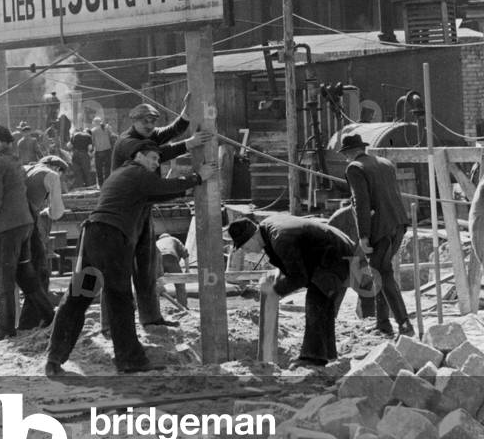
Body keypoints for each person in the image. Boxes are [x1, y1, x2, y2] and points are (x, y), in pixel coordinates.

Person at [45, 140, 215, 377]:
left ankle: (54, 358)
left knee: (79, 296)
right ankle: (129, 359)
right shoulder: (138, 174)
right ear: (139, 157)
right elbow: (165, 187)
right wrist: (198, 177)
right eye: (154, 159)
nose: (157, 163)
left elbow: (158, 193)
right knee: (119, 297)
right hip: (112, 238)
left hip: (92, 237)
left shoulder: (121, 175)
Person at [109, 95, 211, 327]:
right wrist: (189, 147)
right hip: (122, 215)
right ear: (133, 121)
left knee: (146, 266)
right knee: (115, 273)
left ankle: (151, 318)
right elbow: (157, 154)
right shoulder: (127, 143)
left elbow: (170, 131)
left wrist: (186, 112)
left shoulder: (148, 136)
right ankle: (109, 323)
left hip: (142, 209)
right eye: (144, 122)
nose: (149, 126)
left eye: (151, 122)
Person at [228, 213, 354, 368]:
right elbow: (286, 264)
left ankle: (313, 358)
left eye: (245, 247)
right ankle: (326, 354)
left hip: (335, 253)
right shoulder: (267, 231)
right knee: (323, 302)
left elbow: (298, 277)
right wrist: (276, 281)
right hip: (330, 250)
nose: (247, 252)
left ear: (252, 237)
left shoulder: (280, 239)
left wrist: (275, 290)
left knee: (316, 300)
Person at [0, 154, 67, 330]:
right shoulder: (51, 175)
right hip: (26, 223)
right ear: (57, 168)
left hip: (3, 222)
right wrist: (46, 211)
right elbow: (57, 212)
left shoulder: (23, 169)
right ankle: (30, 322)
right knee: (38, 272)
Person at [0, 124, 54, 344]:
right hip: (24, 225)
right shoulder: (15, 161)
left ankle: (5, 327)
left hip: (7, 228)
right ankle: (49, 315)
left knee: (3, 278)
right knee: (26, 274)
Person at [340, 133, 414, 337]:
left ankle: (404, 323)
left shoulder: (354, 168)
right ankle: (383, 324)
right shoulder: (385, 163)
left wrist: (363, 236)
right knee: (381, 271)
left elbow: (361, 203)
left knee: (383, 274)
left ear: (349, 153)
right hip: (398, 224)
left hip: (379, 228)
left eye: (345, 155)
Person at [156, 231, 190, 308]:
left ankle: (155, 308)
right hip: (171, 257)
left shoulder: (157, 242)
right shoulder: (174, 239)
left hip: (157, 260)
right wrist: (187, 270)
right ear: (168, 236)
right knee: (180, 284)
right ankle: (183, 306)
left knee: (156, 284)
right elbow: (185, 254)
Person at [90, 117, 115, 187]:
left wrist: (91, 151)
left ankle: (101, 184)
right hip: (108, 150)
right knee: (107, 168)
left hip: (98, 151)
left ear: (95, 123)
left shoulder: (93, 130)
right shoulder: (107, 128)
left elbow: (92, 142)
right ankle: (107, 183)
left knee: (99, 169)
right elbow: (112, 137)